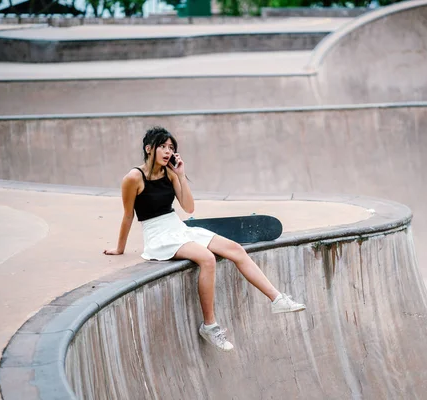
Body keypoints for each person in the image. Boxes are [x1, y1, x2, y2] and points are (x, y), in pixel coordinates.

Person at [104, 126, 306, 351]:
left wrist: (181, 175)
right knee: (207, 259)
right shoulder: (134, 177)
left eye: (171, 147)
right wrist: (119, 248)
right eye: (162, 146)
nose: (167, 151)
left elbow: (188, 208)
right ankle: (210, 325)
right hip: (158, 235)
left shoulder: (170, 173)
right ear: (148, 148)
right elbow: (128, 214)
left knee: (236, 249)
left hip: (177, 227)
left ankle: (277, 299)